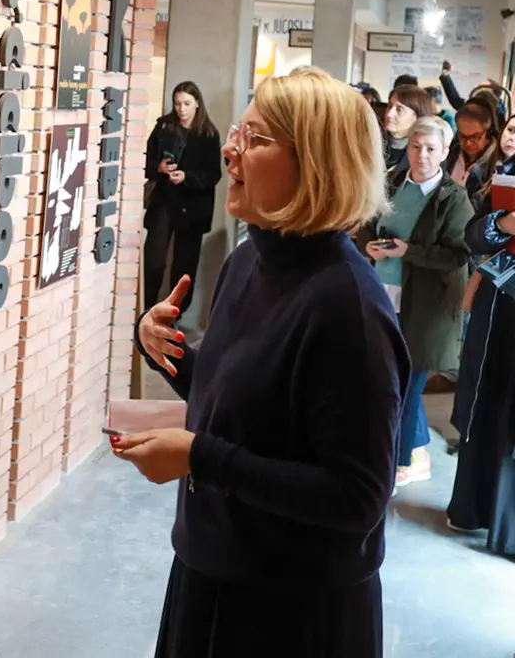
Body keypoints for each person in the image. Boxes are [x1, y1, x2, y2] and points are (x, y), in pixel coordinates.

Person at [116, 68, 409, 658]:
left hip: (292, 609)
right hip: (211, 566)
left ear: (317, 164)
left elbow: (357, 497)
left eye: (256, 139)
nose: (230, 151)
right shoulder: (248, 261)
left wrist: (201, 455)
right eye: (237, 132)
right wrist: (168, 353)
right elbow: (241, 402)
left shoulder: (348, 306)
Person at [359, 117, 473, 488]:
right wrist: (370, 246)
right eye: (415, 147)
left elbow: (457, 255)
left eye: (430, 149)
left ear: (444, 152)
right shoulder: (392, 183)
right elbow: (367, 224)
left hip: (425, 306)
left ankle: (394, 463)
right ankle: (394, 454)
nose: (421, 155)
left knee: (406, 388)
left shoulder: (453, 198)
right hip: (382, 293)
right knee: (378, 381)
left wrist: (411, 251)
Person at [447, 117, 515, 554]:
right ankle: (475, 509)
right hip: (500, 304)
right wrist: (505, 226)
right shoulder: (507, 174)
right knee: (488, 402)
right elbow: (474, 234)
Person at [143, 82, 221, 316]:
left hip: (193, 207)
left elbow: (213, 174)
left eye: (186, 103)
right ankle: (146, 308)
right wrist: (159, 167)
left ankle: (175, 314)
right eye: (177, 104)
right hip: (164, 202)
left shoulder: (208, 133)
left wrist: (187, 177)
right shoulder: (164, 126)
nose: (181, 109)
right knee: (153, 260)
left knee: (185, 265)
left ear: (197, 103)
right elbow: (144, 161)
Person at [447, 97, 498, 191]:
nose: (468, 143)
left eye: (475, 136)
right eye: (462, 136)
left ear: (488, 132)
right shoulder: (451, 153)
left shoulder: (497, 163)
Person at [383, 85, 436, 172]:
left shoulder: (426, 154)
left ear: (417, 117)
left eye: (399, 109)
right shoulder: (371, 140)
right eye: (389, 106)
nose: (389, 114)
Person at [440, 61, 509, 124]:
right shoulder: (474, 105)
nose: (476, 88)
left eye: (480, 87)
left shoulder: (499, 112)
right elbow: (456, 101)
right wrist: (446, 76)